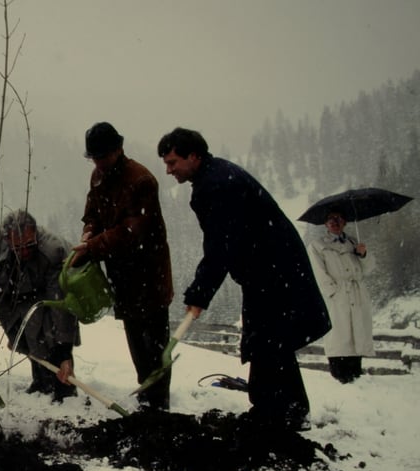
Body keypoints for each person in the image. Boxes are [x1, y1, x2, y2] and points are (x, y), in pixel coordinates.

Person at [157, 127, 330, 429]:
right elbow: (224, 244)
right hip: (269, 268)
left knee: (267, 340)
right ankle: (283, 409)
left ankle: (279, 411)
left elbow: (221, 246)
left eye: (173, 162)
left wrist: (200, 293)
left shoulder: (217, 185)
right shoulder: (214, 176)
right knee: (268, 341)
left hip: (274, 269)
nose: (169, 170)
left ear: (194, 156)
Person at [72, 122, 174, 410]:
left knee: (154, 346)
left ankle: (158, 403)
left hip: (149, 277)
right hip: (123, 279)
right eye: (94, 158)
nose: (98, 162)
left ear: (118, 150)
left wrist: (93, 247)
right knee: (136, 344)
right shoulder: (98, 176)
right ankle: (147, 395)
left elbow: (132, 232)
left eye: (102, 156)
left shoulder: (141, 181)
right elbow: (92, 213)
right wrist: (89, 232)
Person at [0, 210, 79, 403]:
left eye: (29, 245)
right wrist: (12, 333)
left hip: (52, 294)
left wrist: (64, 354)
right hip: (21, 295)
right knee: (27, 338)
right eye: (17, 248)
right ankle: (41, 382)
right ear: (7, 240)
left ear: (35, 234)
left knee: (50, 335)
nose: (24, 252)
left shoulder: (52, 251)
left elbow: (60, 306)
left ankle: (65, 388)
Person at [306, 212, 375, 382]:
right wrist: (333, 292)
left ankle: (356, 375)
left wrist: (363, 255)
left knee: (357, 334)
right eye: (331, 219)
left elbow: (369, 269)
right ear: (325, 224)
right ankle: (340, 376)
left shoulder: (353, 242)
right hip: (337, 298)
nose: (335, 222)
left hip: (357, 295)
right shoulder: (317, 245)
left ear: (344, 222)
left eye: (338, 219)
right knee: (339, 336)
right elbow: (317, 272)